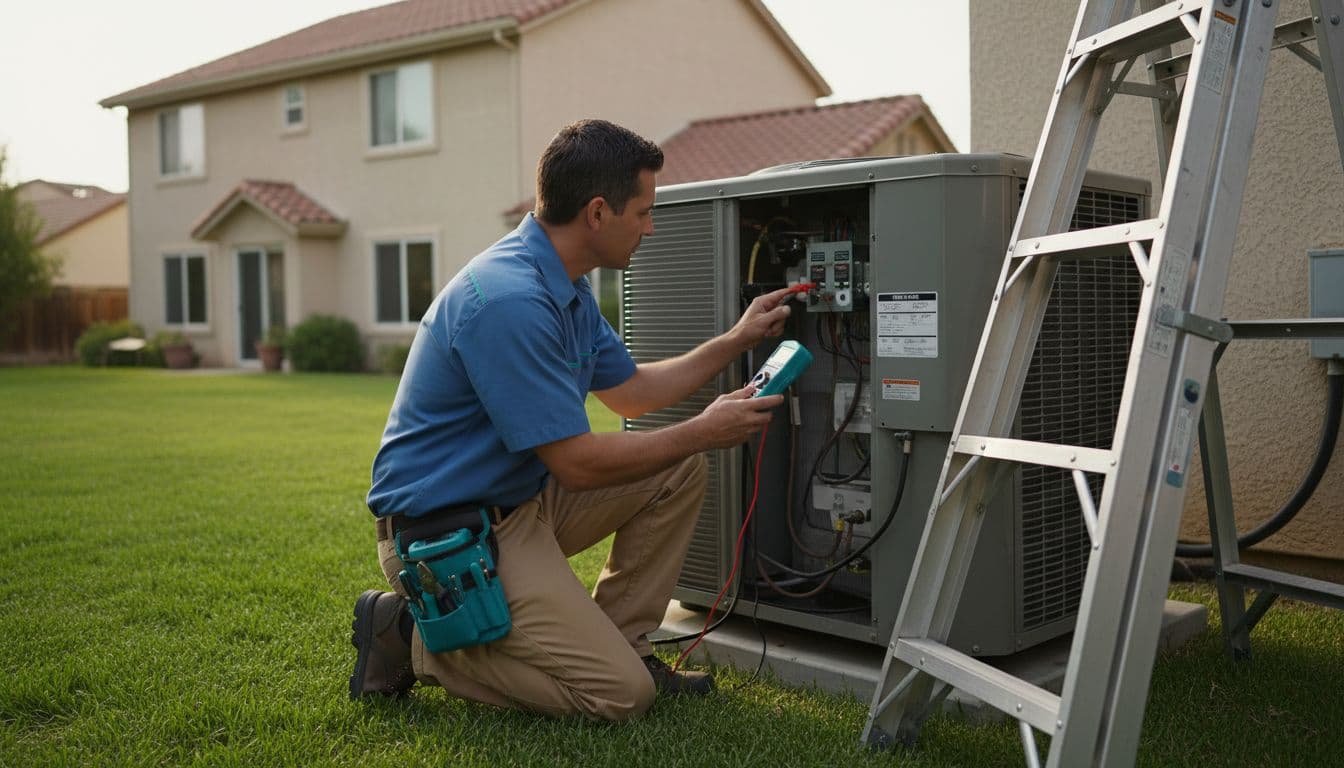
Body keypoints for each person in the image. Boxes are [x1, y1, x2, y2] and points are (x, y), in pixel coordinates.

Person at [350, 118, 795, 722]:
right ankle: (407, 636)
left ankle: (626, 648)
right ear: (596, 213)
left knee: (678, 468)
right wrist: (704, 428)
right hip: (448, 537)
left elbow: (631, 394)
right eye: (641, 212)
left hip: (518, 504)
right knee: (618, 698)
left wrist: (736, 339)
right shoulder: (509, 301)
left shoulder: (568, 286)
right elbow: (578, 465)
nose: (650, 227)